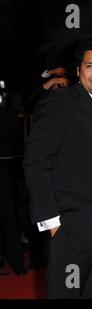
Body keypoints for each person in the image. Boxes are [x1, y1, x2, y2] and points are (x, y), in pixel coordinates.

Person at [23, 39, 92, 298]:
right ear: (78, 70)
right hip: (73, 228)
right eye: (90, 66)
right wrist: (53, 224)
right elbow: (36, 161)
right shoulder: (59, 102)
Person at [0, 92, 27, 276]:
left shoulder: (7, 112)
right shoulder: (6, 113)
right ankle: (15, 262)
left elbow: (12, 129)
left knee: (8, 215)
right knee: (8, 216)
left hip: (5, 165)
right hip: (4, 166)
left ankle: (15, 261)